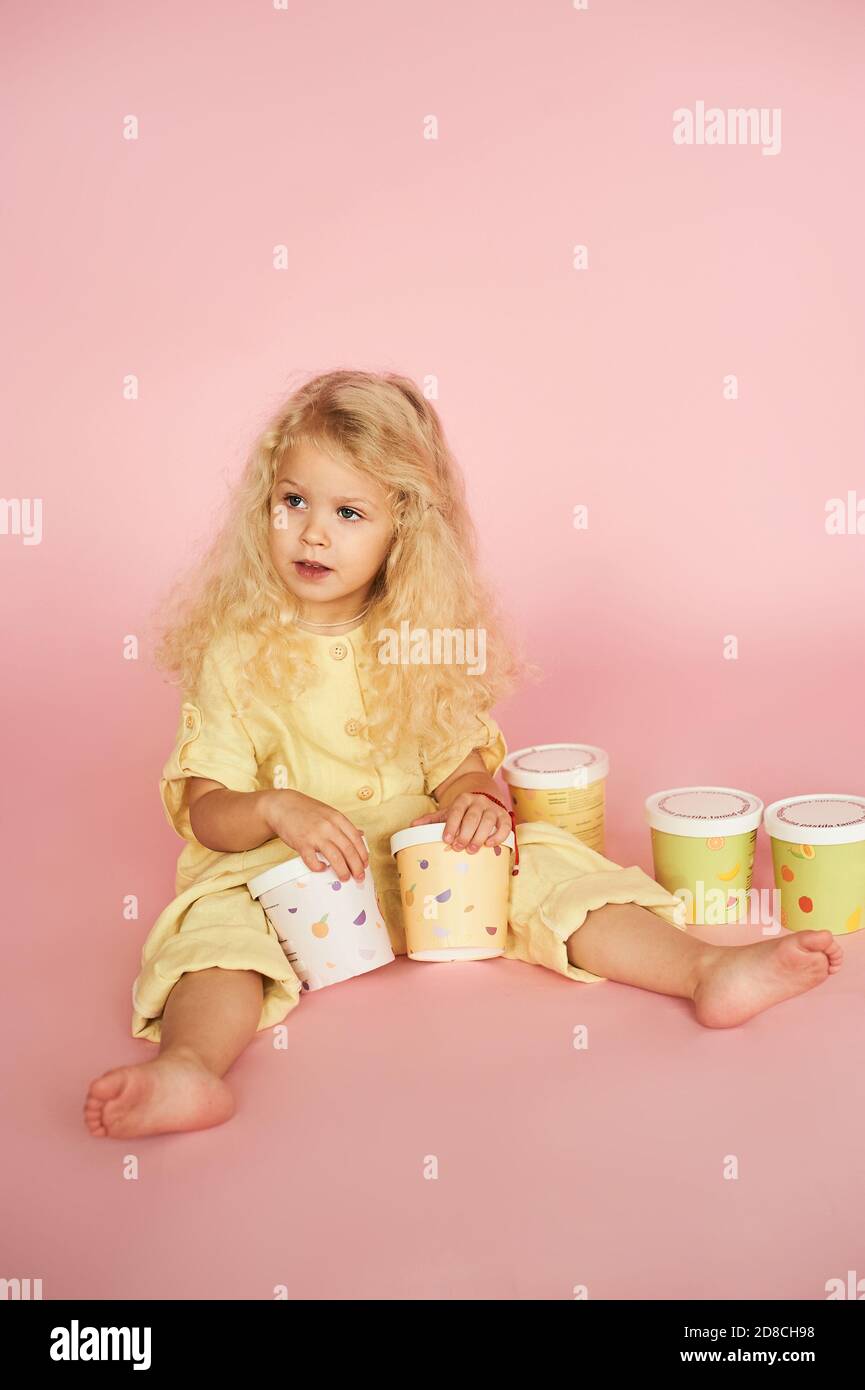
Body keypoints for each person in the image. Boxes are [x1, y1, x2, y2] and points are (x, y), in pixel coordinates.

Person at [84, 370, 842, 1139]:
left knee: (542, 860)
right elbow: (208, 812)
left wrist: (474, 798)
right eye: (293, 502)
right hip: (279, 876)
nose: (313, 532)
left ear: (402, 529)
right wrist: (276, 807)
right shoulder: (235, 652)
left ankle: (703, 969)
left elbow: (456, 761)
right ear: (264, 505)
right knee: (213, 934)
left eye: (348, 512)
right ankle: (190, 1068)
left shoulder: (418, 640)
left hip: (427, 870)